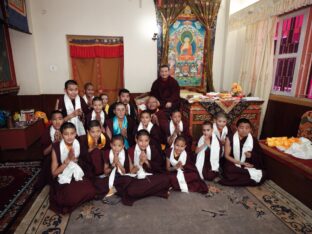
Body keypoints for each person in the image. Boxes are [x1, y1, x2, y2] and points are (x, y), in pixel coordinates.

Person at [49, 122, 96, 214]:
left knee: (91, 192)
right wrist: (67, 160)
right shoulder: (56, 147)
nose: (69, 137)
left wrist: (77, 161)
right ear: (62, 135)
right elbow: (54, 173)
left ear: (75, 133)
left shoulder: (78, 143)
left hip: (77, 173)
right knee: (70, 198)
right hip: (63, 176)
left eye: (72, 133)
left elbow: (86, 161)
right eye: (66, 134)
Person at [124, 130, 170, 206]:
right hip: (136, 179)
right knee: (130, 189)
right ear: (136, 140)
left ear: (149, 140)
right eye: (141, 141)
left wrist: (147, 161)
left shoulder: (153, 149)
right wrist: (140, 164)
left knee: (166, 179)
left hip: (150, 177)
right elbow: (130, 172)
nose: (143, 144)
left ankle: (147, 192)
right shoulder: (130, 151)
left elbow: (159, 168)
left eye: (146, 141)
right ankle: (157, 191)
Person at [219, 118, 267, 186]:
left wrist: (251, 155)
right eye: (241, 127)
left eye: (247, 128)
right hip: (233, 161)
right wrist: (241, 163)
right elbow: (226, 156)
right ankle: (249, 176)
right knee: (229, 169)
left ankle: (241, 176)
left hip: (248, 163)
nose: (244, 130)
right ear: (237, 128)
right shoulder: (230, 138)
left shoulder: (253, 140)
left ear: (250, 129)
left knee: (264, 173)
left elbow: (260, 155)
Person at [80, 120, 109, 199]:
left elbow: (109, 152)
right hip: (89, 166)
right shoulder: (83, 139)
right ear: (88, 131)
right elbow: (82, 156)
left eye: (98, 131)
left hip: (103, 167)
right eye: (93, 132)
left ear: (101, 130)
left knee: (100, 152)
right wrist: (92, 148)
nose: (96, 134)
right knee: (95, 152)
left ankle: (102, 177)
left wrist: (106, 165)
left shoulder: (104, 137)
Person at [36, 110, 64, 189]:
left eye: (60, 119)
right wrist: (54, 142)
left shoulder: (68, 129)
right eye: (55, 119)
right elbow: (44, 153)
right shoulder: (47, 132)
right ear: (51, 121)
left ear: (63, 120)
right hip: (52, 158)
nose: (57, 122)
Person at [103, 135, 133, 204]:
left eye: (119, 146)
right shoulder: (107, 153)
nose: (116, 148)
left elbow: (124, 172)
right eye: (114, 145)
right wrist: (113, 164)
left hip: (120, 177)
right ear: (111, 145)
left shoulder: (125, 153)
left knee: (128, 179)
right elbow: (105, 172)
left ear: (123, 146)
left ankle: (110, 193)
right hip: (110, 177)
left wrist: (118, 163)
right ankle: (115, 193)